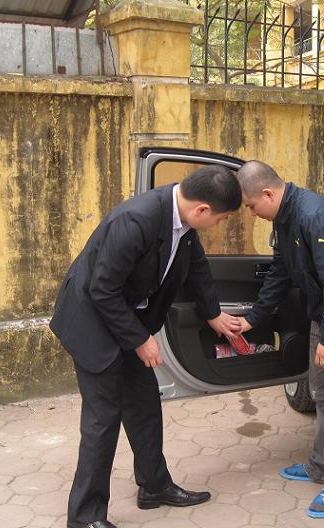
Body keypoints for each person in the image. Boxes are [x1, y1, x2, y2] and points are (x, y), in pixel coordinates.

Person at [50, 165, 243, 528]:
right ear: (202, 209)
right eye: (221, 218)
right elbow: (101, 289)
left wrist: (213, 314)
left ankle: (154, 487)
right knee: (102, 421)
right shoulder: (136, 220)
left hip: (126, 317)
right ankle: (85, 517)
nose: (219, 225)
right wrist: (139, 340)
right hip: (93, 320)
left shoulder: (184, 223)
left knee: (144, 406)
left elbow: (197, 268)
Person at [235, 161, 324, 519]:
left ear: (267, 193)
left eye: (252, 206)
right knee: (320, 392)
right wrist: (254, 319)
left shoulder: (315, 216)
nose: (253, 214)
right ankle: (318, 465)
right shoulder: (285, 220)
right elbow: (280, 272)